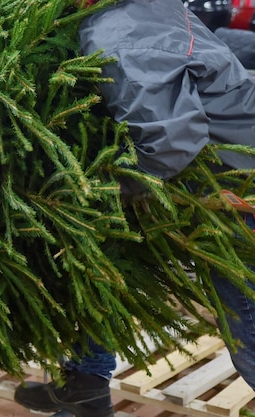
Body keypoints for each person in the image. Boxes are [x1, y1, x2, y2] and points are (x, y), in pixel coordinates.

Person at [13, 0, 255, 416]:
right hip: (227, 163)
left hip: (234, 183)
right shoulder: (151, 5)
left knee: (247, 321)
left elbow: (170, 143)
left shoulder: (111, 32)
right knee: (110, 255)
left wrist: (110, 187)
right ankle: (85, 381)